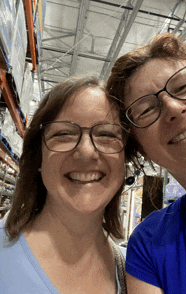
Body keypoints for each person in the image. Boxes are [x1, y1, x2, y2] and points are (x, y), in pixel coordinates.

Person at [106, 33, 186, 293]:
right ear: (141, 149)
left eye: (184, 86)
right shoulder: (149, 246)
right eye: (146, 110)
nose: (173, 107)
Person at [0, 76, 128, 294]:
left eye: (106, 134)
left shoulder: (136, 273)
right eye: (64, 134)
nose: (87, 152)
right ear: (38, 158)